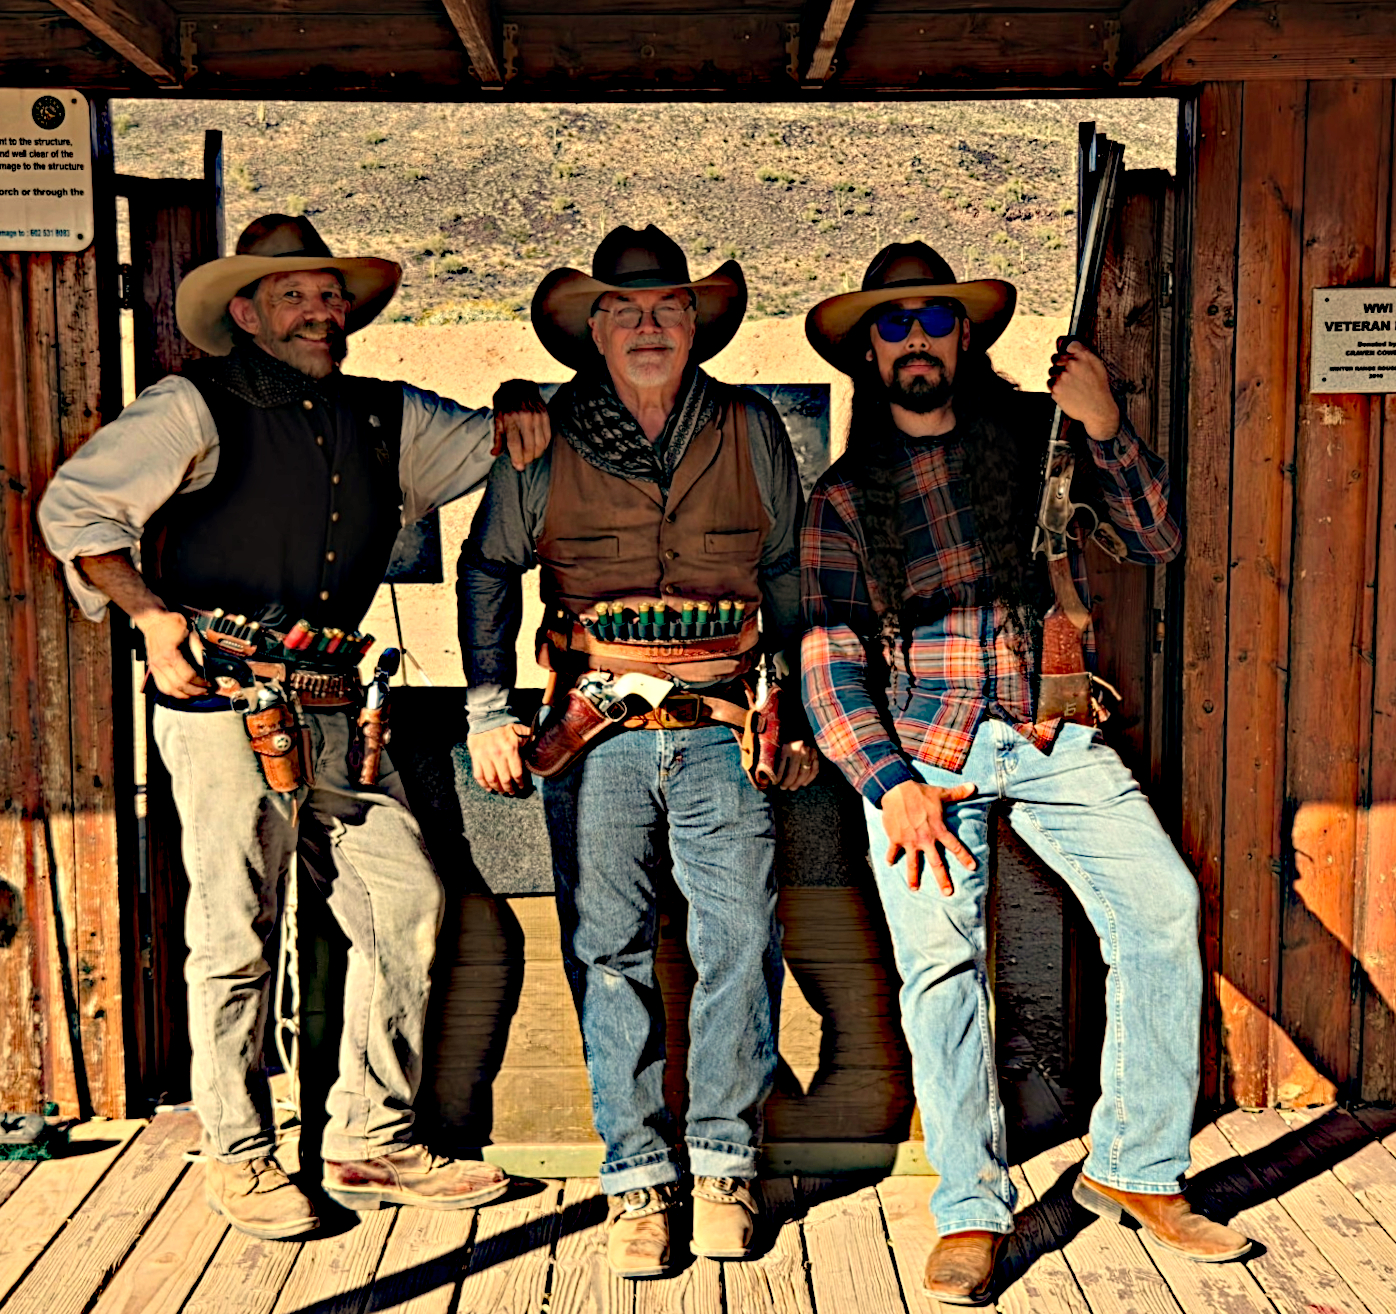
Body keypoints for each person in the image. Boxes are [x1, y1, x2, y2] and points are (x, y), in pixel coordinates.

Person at [38, 214, 551, 1241]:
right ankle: (238, 1153)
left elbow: (500, 443)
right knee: (235, 931)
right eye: (293, 297)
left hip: (336, 708)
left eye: (329, 297)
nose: (321, 313)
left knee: (403, 901)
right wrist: (151, 617)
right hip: (225, 704)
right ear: (245, 314)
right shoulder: (191, 405)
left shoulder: (386, 415)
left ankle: (372, 1135)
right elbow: (78, 512)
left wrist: (519, 398)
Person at [798, 242, 1249, 1304]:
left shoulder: (1038, 440)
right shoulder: (844, 496)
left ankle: (1135, 1167)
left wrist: (1104, 423)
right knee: (940, 969)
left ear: (966, 336)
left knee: (1162, 908)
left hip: (1051, 732)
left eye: (934, 319)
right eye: (894, 324)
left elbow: (1155, 538)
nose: (916, 339)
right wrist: (888, 784)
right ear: (869, 352)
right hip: (923, 753)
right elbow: (828, 656)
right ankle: (970, 1208)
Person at [460, 224, 819, 1276]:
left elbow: (790, 573)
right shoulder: (541, 436)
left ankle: (724, 1166)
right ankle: (636, 1181)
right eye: (625, 310)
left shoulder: (750, 427)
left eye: (668, 307)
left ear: (696, 323)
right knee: (605, 951)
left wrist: (794, 707)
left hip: (725, 730)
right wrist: (488, 710)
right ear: (594, 329)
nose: (649, 325)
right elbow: (488, 570)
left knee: (740, 942)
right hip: (595, 733)